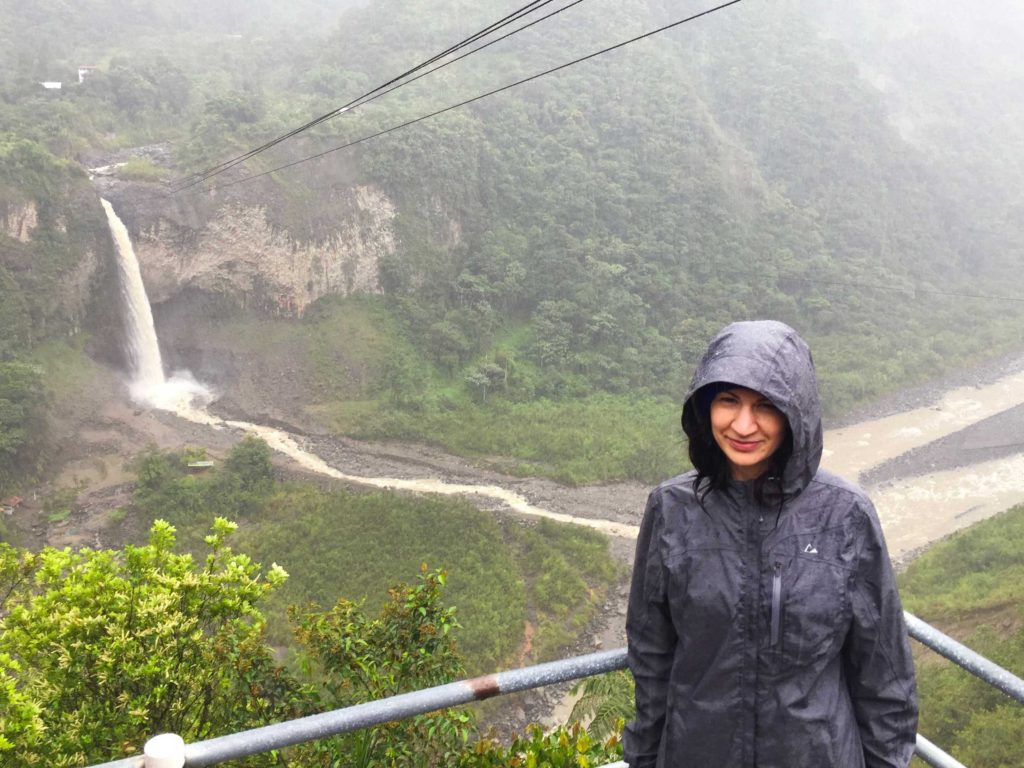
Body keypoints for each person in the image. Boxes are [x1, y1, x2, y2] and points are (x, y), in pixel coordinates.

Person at [624, 320, 918, 768]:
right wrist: (644, 757)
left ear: (795, 412)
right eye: (728, 401)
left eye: (765, 405)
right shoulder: (672, 509)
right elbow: (651, 655)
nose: (744, 425)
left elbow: (884, 675)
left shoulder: (845, 515)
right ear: (705, 408)